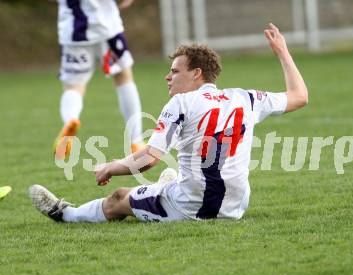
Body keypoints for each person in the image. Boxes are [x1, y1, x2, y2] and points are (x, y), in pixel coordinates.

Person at [29, 23, 308, 223]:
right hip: (235, 207)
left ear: (197, 73)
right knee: (173, 179)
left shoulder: (181, 103)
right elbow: (299, 96)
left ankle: (64, 214)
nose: (168, 77)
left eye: (174, 71)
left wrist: (109, 167)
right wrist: (283, 52)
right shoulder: (245, 98)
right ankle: (167, 185)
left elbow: (149, 159)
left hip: (191, 206)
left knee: (117, 198)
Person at [54, 0, 145, 159]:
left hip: (74, 30)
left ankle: (71, 119)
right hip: (107, 28)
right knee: (123, 77)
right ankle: (136, 141)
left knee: (73, 87)